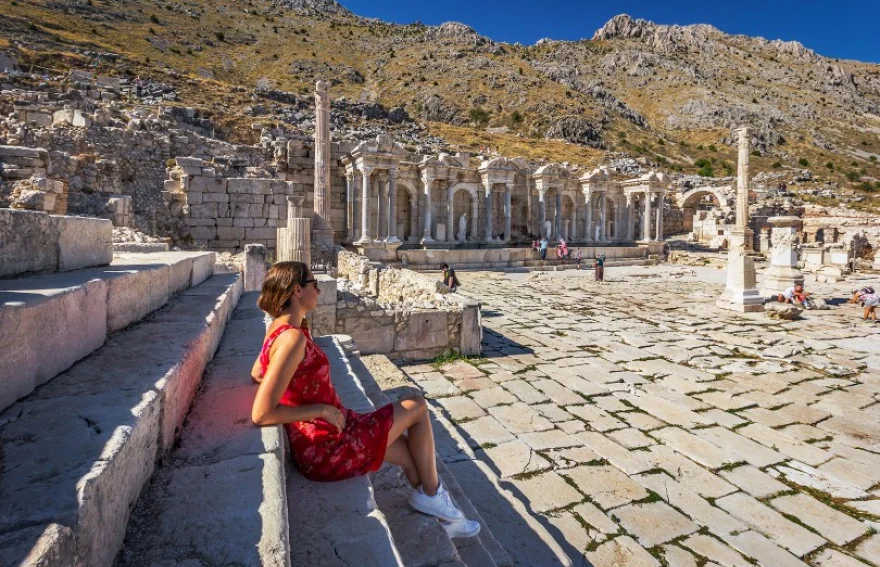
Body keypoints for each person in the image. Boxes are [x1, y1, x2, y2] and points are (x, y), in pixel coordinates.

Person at [251, 262, 479, 538]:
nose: (320, 290)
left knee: (410, 454)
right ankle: (436, 499)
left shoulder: (280, 329)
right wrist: (321, 409)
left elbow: (257, 372)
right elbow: (261, 414)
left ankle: (447, 516)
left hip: (333, 431)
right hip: (326, 447)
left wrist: (297, 392)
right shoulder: (291, 340)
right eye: (314, 284)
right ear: (298, 290)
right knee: (417, 405)